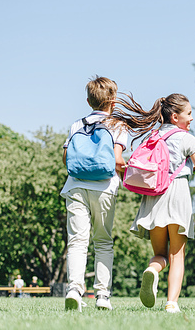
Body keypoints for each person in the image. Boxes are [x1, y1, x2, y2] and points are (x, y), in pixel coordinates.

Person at [109, 93, 195, 313]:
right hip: (178, 195)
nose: (192, 118)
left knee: (161, 255)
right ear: (175, 117)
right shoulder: (187, 138)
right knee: (177, 255)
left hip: (154, 196)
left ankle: (153, 270)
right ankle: (171, 303)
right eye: (189, 113)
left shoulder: (152, 137)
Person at [61, 76, 128, 311]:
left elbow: (65, 158)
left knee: (77, 241)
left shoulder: (76, 125)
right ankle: (102, 295)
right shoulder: (118, 125)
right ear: (113, 101)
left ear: (89, 101)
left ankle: (74, 290)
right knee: (103, 241)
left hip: (75, 185)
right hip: (105, 187)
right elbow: (118, 160)